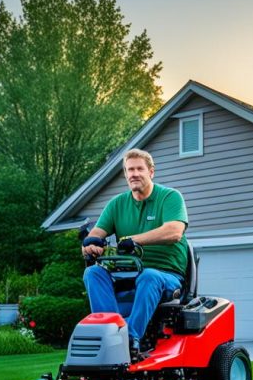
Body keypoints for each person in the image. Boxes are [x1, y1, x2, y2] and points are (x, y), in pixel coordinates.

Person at [81, 149, 189, 352]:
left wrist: (134, 240)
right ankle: (109, 332)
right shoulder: (117, 204)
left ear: (151, 172)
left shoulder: (170, 197)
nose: (134, 174)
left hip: (167, 276)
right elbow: (96, 233)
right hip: (127, 275)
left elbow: (175, 231)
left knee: (149, 276)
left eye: (140, 169)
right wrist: (91, 244)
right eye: (130, 170)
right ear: (125, 174)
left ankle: (130, 340)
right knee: (92, 272)